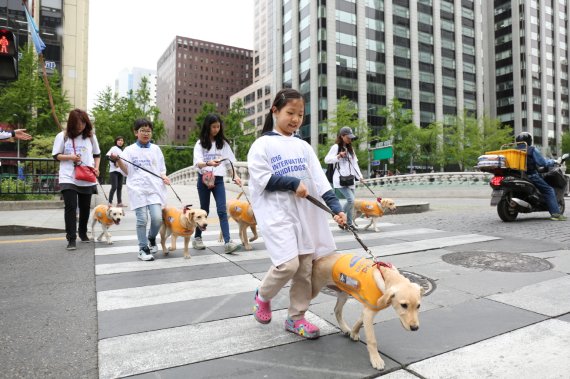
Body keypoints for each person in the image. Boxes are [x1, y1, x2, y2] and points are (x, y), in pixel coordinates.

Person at [248, 88, 347, 339]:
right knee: (288, 265)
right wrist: (292, 183)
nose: (295, 119)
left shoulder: (303, 146)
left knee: (304, 270)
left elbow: (319, 180)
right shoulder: (262, 145)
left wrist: (336, 209)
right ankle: (263, 295)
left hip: (303, 215)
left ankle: (296, 318)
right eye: (290, 113)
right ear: (275, 111)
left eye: (300, 115)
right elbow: (262, 179)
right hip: (277, 214)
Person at [110, 119, 170, 261]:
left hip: (154, 188)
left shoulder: (156, 149)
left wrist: (164, 177)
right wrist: (118, 161)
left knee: (157, 219)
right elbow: (126, 171)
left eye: (148, 131)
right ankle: (142, 249)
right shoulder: (129, 150)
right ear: (136, 132)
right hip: (137, 188)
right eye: (142, 130)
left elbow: (161, 168)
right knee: (142, 219)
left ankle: (151, 238)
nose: (146, 133)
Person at [192, 113, 242, 254]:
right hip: (204, 179)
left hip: (218, 180)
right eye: (213, 127)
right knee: (204, 210)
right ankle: (197, 238)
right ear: (207, 127)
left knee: (222, 210)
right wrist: (208, 163)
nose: (216, 129)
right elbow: (197, 163)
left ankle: (228, 242)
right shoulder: (200, 144)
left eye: (218, 126)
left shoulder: (223, 144)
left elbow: (229, 163)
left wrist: (235, 176)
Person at [52, 109, 101, 250]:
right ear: (72, 123)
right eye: (78, 123)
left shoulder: (90, 136)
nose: (81, 126)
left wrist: (96, 168)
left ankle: (83, 232)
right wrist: (70, 157)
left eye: (84, 123)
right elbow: (56, 155)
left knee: (85, 207)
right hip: (68, 176)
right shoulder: (63, 136)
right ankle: (71, 239)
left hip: (87, 175)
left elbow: (97, 154)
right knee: (71, 207)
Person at [516, 132, 567, 221]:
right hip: (531, 175)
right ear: (529, 141)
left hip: (518, 175)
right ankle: (556, 214)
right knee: (549, 190)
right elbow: (542, 163)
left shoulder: (514, 151)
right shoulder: (531, 149)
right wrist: (554, 161)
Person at [324, 126, 364, 229]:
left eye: (351, 137)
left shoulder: (351, 149)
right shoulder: (335, 147)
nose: (350, 139)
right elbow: (327, 160)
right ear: (342, 136)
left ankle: (349, 224)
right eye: (348, 137)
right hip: (340, 179)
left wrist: (360, 176)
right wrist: (338, 156)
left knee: (352, 203)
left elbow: (355, 164)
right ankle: (338, 215)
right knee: (351, 200)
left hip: (350, 179)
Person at [106, 136, 125, 207]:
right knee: (114, 187)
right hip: (114, 171)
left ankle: (119, 202)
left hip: (121, 171)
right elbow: (107, 156)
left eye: (122, 140)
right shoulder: (114, 148)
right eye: (119, 140)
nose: (120, 142)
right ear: (116, 141)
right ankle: (109, 202)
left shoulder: (122, 150)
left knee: (120, 187)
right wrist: (114, 162)